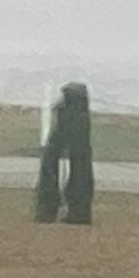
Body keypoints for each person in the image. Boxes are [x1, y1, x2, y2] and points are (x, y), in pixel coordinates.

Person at [34, 81, 95, 225]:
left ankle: (49, 209)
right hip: (78, 122)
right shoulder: (80, 115)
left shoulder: (63, 110)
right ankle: (77, 210)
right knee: (80, 161)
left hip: (74, 121)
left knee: (54, 160)